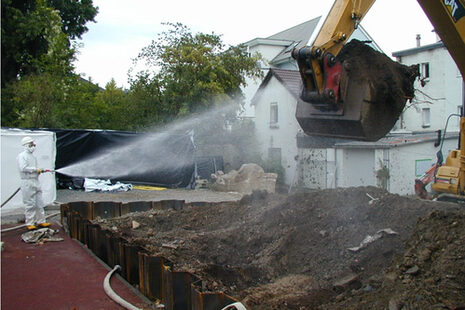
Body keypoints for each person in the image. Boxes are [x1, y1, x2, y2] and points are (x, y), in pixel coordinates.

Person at [17, 136, 51, 230]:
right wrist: (35, 170)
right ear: (26, 145)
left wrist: (39, 171)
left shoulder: (33, 156)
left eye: (33, 144)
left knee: (39, 203)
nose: (33, 146)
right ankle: (30, 222)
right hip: (27, 182)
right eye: (31, 144)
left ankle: (41, 221)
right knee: (30, 204)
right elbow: (23, 168)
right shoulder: (22, 156)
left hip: (35, 181)